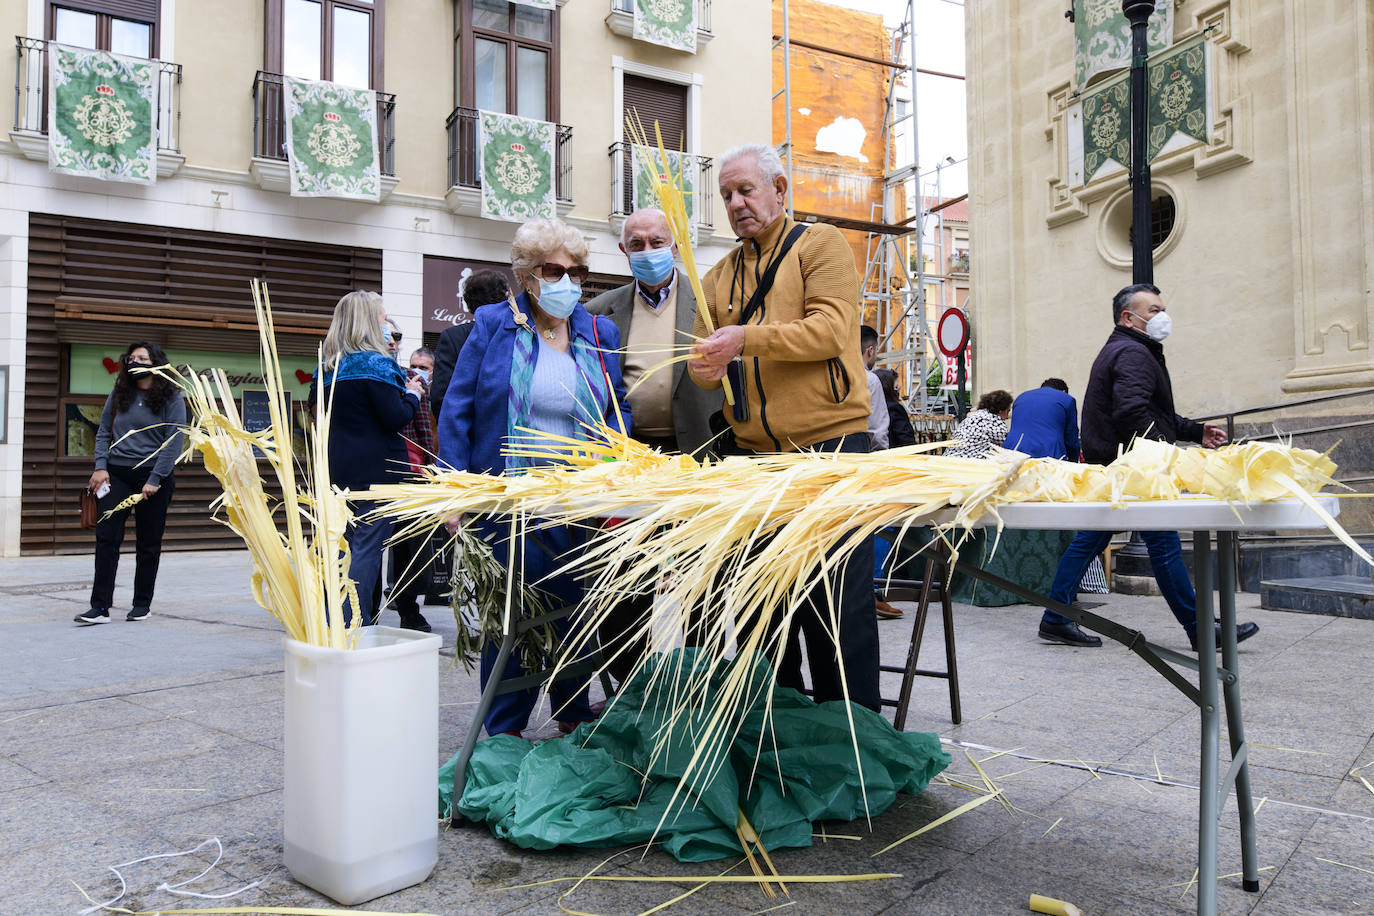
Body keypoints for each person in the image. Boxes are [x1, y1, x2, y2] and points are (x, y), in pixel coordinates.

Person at [687, 141, 879, 711]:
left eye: (746, 189)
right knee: (762, 608)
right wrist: (703, 368)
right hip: (753, 459)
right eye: (726, 195)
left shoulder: (820, 245)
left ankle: (852, 743)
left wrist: (744, 339)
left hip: (831, 449)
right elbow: (704, 369)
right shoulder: (719, 275)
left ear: (779, 189)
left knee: (835, 606)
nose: (737, 203)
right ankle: (780, 733)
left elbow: (829, 331)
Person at [438, 217, 632, 737]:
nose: (567, 282)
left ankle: (572, 714)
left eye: (578, 273)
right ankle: (504, 731)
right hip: (510, 501)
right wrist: (454, 491)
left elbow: (617, 408)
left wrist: (615, 457)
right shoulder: (493, 326)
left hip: (580, 502)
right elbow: (456, 409)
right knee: (516, 622)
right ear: (527, 274)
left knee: (577, 616)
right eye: (554, 270)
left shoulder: (598, 330)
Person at [1038, 283, 1260, 652]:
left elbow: (1149, 410)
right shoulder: (1132, 352)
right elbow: (1132, 411)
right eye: (1154, 310)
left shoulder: (1126, 350)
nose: (1163, 316)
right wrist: (1162, 457)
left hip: (1116, 461)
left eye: (1161, 308)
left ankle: (1055, 617)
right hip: (1132, 466)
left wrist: (1194, 431)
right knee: (1164, 544)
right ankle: (1201, 629)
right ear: (1129, 317)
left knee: (1089, 541)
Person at [585, 207, 723, 686]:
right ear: (623, 251)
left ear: (677, 244)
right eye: (637, 244)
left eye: (657, 241)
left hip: (698, 457)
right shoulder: (601, 310)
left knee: (702, 577)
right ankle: (630, 690)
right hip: (628, 462)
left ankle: (698, 683)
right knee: (622, 579)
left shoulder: (711, 303)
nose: (647, 251)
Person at [313, 291, 425, 626]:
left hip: (336, 467)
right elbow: (395, 417)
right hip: (378, 469)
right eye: (381, 316)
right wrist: (413, 394)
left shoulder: (326, 368)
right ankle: (352, 623)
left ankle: (331, 617)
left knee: (339, 547)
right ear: (368, 321)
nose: (385, 323)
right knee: (366, 548)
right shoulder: (377, 364)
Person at [76, 342, 186, 625]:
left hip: (153, 477)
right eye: (131, 357)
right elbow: (103, 430)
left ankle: (141, 604)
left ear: (156, 363)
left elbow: (173, 442)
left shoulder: (171, 397)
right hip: (118, 474)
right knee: (106, 539)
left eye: (142, 358)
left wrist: (154, 479)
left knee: (148, 543)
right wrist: (101, 467)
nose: (134, 361)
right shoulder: (120, 392)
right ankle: (100, 607)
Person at [379, 346, 438, 632]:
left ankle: (407, 608)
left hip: (408, 471)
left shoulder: (412, 378)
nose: (392, 342)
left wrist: (429, 466)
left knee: (406, 545)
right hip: (378, 469)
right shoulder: (375, 374)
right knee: (377, 544)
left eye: (396, 337)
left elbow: (425, 428)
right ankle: (370, 608)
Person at [431, 270, 511, 421]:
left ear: (468, 302)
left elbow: (441, 398)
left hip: (468, 432)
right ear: (506, 297)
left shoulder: (453, 337)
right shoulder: (518, 334)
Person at [1005, 378, 1080, 460]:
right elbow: (1071, 438)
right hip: (1049, 453)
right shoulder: (1067, 399)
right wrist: (1073, 461)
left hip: (1013, 450)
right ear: (1064, 391)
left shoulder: (1021, 397)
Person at [944, 390, 1012, 459]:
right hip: (969, 463)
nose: (1007, 417)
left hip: (950, 460)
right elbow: (1009, 445)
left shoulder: (975, 416)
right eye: (1008, 411)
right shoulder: (994, 421)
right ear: (1001, 409)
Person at [860, 325, 890, 451]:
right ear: (870, 350)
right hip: (861, 455)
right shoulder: (870, 380)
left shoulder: (834, 374)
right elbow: (877, 431)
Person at [875, 369, 916, 448]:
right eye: (896, 387)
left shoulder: (870, 408)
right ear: (889, 389)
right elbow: (906, 438)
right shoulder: (894, 409)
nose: (898, 391)